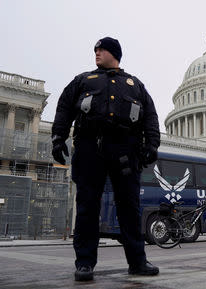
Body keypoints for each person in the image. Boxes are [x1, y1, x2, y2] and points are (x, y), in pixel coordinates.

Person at [52, 37, 161, 281]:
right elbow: (64, 108)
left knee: (129, 208)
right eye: (96, 49)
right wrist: (58, 138)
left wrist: (152, 145)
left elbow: (150, 118)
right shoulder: (83, 80)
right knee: (88, 207)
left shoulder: (136, 85)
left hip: (125, 150)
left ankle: (138, 262)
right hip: (91, 147)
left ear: (114, 53)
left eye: (101, 49)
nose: (96, 52)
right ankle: (85, 263)